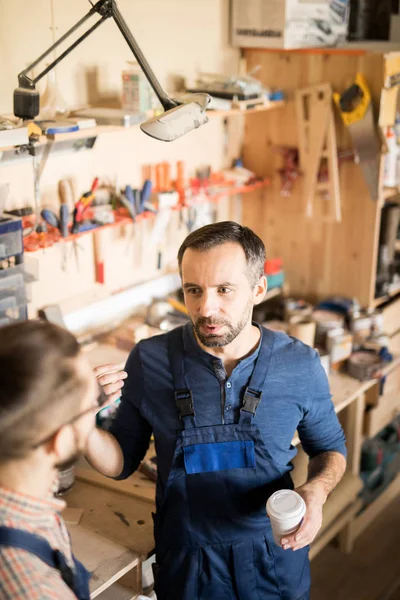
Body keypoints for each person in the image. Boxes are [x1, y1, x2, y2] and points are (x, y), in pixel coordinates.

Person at [90, 221, 347, 600]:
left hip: (274, 558)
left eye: (224, 290)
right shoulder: (150, 359)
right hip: (188, 569)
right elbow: (121, 462)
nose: (206, 308)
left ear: (258, 289)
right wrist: (81, 420)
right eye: (194, 290)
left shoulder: (300, 365)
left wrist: (317, 490)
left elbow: (330, 449)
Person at [0, 320, 102, 600]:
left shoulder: (28, 495)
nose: (98, 408)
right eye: (93, 405)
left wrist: (69, 402)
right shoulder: (35, 589)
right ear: (60, 441)